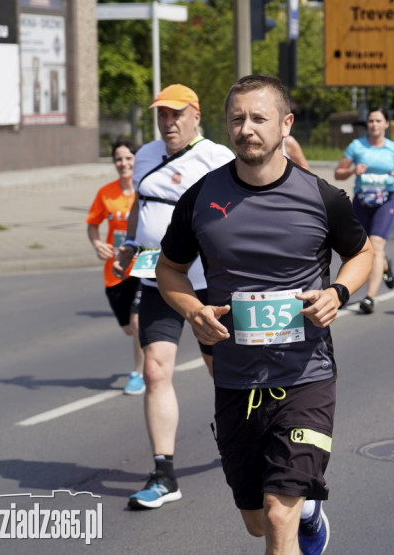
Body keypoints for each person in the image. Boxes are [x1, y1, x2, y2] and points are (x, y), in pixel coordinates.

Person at [155, 73, 373, 555]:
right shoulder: (201, 199)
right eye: (237, 119)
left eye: (259, 118)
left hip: (306, 374)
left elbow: (362, 254)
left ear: (285, 124)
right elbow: (168, 270)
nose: (246, 128)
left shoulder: (322, 197)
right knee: (257, 521)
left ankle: (298, 511)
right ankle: (311, 513)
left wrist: (338, 291)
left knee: (278, 516)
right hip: (234, 378)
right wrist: (192, 309)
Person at [112, 83, 235, 510]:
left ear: (195, 116)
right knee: (154, 369)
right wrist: (129, 242)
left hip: (205, 283)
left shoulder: (217, 158)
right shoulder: (145, 154)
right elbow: (140, 205)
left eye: (176, 114)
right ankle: (164, 474)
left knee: (223, 370)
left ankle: (246, 439)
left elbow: (243, 205)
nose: (168, 122)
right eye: (162, 114)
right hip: (156, 278)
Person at [334, 107, 394, 314]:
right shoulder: (357, 146)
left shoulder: (393, 148)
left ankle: (369, 298)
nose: (374, 125)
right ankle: (384, 266)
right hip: (362, 202)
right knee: (360, 249)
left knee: (375, 246)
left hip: (386, 201)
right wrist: (352, 170)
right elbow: (338, 173)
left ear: (386, 124)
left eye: (378, 121)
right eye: (371, 121)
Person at [86, 138, 144, 394]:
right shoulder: (106, 193)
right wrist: (97, 244)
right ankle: (148, 349)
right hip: (116, 271)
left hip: (142, 266)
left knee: (139, 321)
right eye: (119, 159)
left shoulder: (147, 188)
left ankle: (139, 374)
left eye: (129, 158)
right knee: (129, 329)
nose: (124, 163)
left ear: (137, 160)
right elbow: (92, 224)